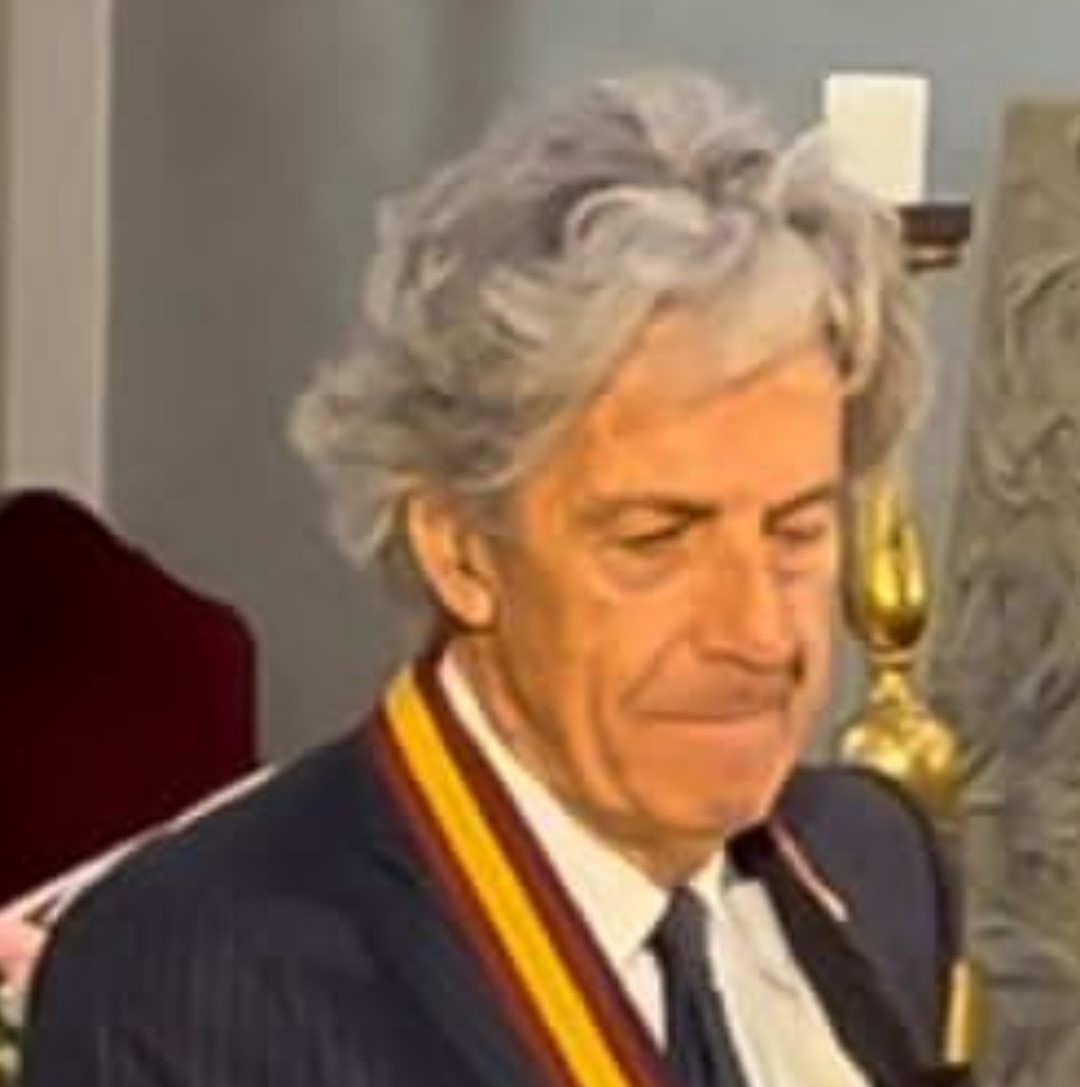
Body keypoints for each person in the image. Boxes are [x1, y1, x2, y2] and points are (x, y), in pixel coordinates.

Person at [20, 69, 957, 1087]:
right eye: (658, 538)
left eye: (796, 531)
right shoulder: (193, 985)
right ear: (460, 550)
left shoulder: (872, 862)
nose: (759, 631)